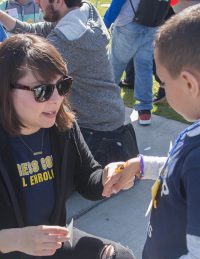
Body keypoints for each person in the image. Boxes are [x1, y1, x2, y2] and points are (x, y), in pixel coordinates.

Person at [0, 34, 137, 259]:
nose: (56, 99)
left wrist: (109, 177)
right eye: (42, 91)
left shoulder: (62, 126)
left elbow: (90, 179)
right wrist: (16, 240)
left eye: (62, 86)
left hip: (52, 251)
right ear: (5, 89)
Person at [103, 5, 200, 259]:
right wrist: (141, 165)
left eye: (163, 81)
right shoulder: (195, 130)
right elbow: (177, 170)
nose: (163, 90)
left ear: (189, 83)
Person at [0, 0, 139, 167]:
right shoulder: (82, 12)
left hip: (96, 132)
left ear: (58, 1)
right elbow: (34, 31)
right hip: (107, 119)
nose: (36, 1)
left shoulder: (68, 40)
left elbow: (23, 68)